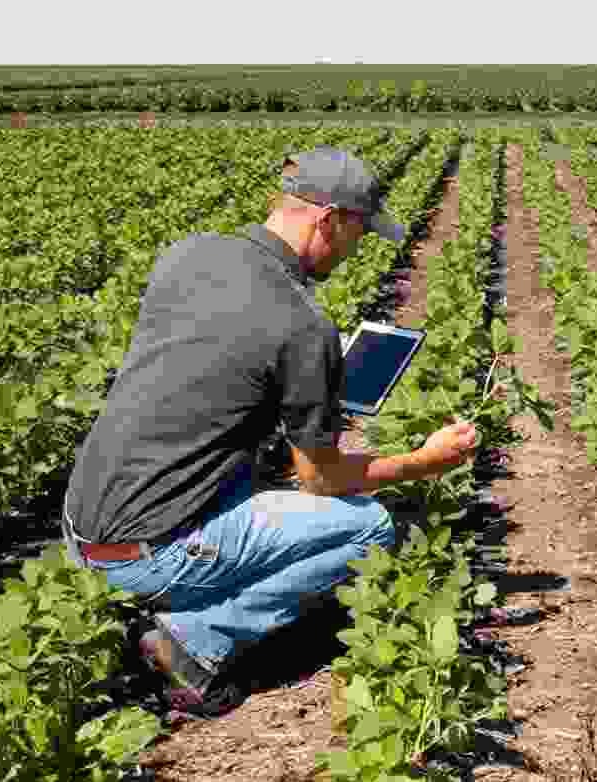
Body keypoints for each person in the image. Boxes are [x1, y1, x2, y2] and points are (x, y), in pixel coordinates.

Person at [60, 145, 480, 720]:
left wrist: (304, 404)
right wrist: (425, 460)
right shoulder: (303, 324)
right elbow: (323, 481)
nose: (359, 249)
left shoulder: (189, 253)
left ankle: (167, 589)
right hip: (145, 554)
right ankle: (192, 641)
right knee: (371, 526)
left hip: (82, 526)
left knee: (258, 479)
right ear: (328, 219)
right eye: (359, 232)